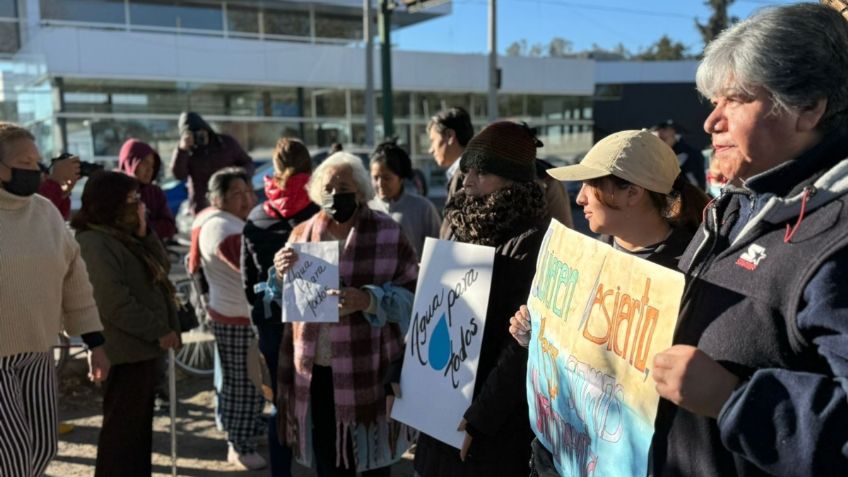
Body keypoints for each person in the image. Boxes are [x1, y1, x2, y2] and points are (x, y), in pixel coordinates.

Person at [647, 4, 848, 476]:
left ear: (808, 107)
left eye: (735, 99)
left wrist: (733, 399)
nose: (710, 122)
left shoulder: (836, 240)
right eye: (713, 102)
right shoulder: (738, 203)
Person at [507, 129, 709, 475]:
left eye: (591, 185)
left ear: (633, 193)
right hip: (557, 457)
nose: (580, 198)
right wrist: (537, 335)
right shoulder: (586, 256)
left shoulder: (687, 277)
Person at [414, 121, 549, 477]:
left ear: (513, 179)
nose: (469, 180)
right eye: (467, 170)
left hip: (487, 431)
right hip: (438, 412)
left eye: (483, 172)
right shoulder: (459, 226)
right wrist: (402, 373)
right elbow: (429, 314)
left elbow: (519, 344)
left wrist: (480, 419)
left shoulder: (534, 242)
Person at [273, 152, 419, 477]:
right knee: (330, 463)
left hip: (371, 370)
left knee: (373, 464)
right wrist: (279, 273)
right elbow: (282, 301)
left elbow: (412, 298)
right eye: (329, 186)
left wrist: (368, 300)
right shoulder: (301, 235)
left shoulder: (388, 233)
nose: (336, 193)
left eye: (344, 185)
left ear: (362, 191)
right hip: (317, 372)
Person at [0, 122, 108, 476]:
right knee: (13, 458)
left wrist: (95, 342)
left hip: (38, 350)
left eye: (36, 161)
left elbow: (74, 280)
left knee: (43, 446)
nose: (34, 169)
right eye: (23, 162)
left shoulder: (46, 212)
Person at [71, 171, 181, 476]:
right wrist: (158, 330)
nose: (139, 205)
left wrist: (146, 233)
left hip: (141, 350)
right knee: (122, 435)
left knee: (137, 432)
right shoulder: (95, 242)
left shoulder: (125, 235)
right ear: (110, 203)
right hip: (124, 352)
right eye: (132, 199)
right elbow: (113, 302)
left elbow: (161, 268)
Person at [241, 138, 320, 477]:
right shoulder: (321, 213)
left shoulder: (256, 216)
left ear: (274, 168)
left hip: (271, 323)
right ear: (310, 169)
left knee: (279, 404)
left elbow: (248, 282)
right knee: (321, 403)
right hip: (315, 322)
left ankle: (281, 473)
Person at [187, 167, 266, 470]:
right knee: (243, 384)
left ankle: (248, 433)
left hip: (232, 313)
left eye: (248, 192)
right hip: (236, 317)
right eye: (237, 194)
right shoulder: (224, 229)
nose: (247, 199)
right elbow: (252, 269)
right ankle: (240, 445)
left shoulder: (213, 219)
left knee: (248, 381)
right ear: (219, 199)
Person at [171, 111, 254, 214]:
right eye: (193, 134)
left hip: (230, 201)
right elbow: (179, 175)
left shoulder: (226, 143)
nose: (199, 137)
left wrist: (236, 177)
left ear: (206, 129)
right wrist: (182, 150)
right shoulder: (187, 151)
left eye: (200, 132)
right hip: (203, 205)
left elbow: (247, 163)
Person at [368, 140, 441, 259]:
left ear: (401, 178)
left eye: (387, 178)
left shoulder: (423, 208)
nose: (380, 184)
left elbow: (437, 253)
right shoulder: (366, 210)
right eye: (375, 178)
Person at [427, 107, 475, 238]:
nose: (430, 150)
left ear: (450, 136)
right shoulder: (470, 171)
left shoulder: (466, 175)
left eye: (433, 141)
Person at [118, 138, 177, 241]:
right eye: (145, 163)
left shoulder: (155, 192)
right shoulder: (114, 190)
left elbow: (169, 226)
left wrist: (145, 227)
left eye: (152, 165)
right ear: (130, 162)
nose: (150, 170)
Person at [652, 119, 707, 191]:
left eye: (664, 128)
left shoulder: (692, 155)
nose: (659, 133)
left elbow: (698, 186)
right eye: (654, 130)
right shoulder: (652, 157)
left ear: (673, 131)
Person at [37, 153, 81, 219]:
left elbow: (60, 222)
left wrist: (63, 196)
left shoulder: (56, 193)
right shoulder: (34, 199)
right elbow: (40, 216)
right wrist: (54, 182)